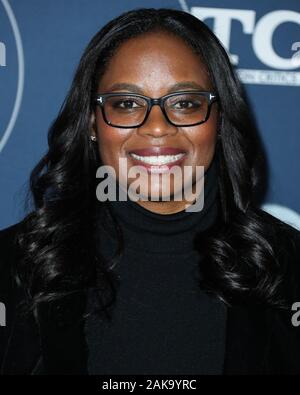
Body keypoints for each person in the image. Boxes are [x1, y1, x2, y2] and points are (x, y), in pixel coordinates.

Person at [0, 7, 300, 375]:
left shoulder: (289, 268)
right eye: (126, 104)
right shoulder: (12, 267)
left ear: (219, 120)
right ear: (92, 123)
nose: (157, 127)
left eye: (185, 103)